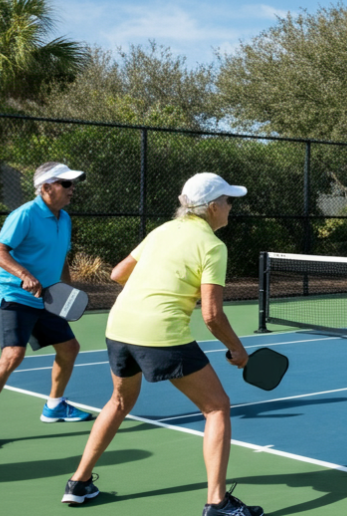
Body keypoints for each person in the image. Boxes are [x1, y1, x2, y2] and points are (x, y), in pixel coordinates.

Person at [61, 173, 262, 516]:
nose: (230, 207)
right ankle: (217, 503)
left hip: (120, 327)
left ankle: (78, 483)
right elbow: (212, 315)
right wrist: (238, 349)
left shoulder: (162, 231)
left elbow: (117, 273)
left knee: (119, 401)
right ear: (213, 207)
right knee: (217, 407)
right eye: (228, 201)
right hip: (161, 333)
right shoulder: (213, 246)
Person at [0, 162, 92, 451]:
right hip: (13, 296)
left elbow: (61, 257)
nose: (72, 189)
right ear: (46, 188)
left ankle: (54, 406)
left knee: (70, 348)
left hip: (45, 297)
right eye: (66, 184)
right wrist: (24, 275)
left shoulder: (63, 218)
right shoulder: (25, 215)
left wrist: (65, 291)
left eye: (72, 183)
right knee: (12, 356)